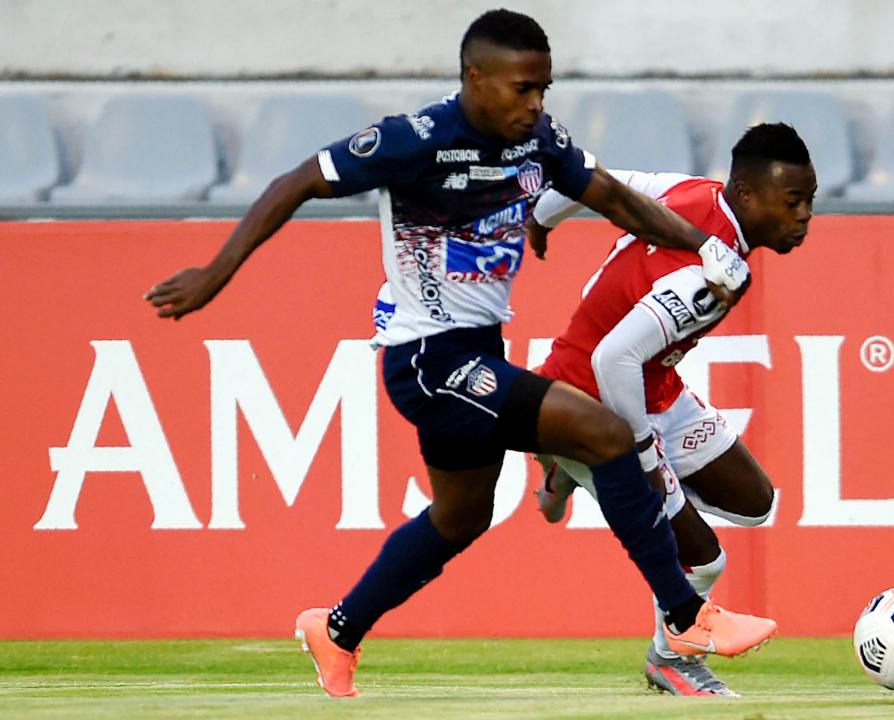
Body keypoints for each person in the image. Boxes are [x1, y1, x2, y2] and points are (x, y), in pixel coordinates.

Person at [144, 8, 775, 699]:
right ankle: (684, 616)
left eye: (543, 89)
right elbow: (295, 181)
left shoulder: (539, 139)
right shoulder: (413, 141)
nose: (535, 104)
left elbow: (617, 200)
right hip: (426, 359)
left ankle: (337, 629)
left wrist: (703, 246)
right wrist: (213, 274)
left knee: (462, 514)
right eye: (521, 89)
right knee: (602, 430)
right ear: (475, 79)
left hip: (475, 351)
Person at [527, 123, 816, 696]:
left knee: (756, 503)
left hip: (652, 385)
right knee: (705, 559)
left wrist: (543, 217)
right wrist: (641, 455)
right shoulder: (711, 274)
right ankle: (671, 662)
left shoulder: (693, 192)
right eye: (792, 202)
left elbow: (596, 179)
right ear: (746, 194)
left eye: (809, 201)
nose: (805, 215)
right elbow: (613, 360)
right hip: (593, 404)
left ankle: (564, 471)